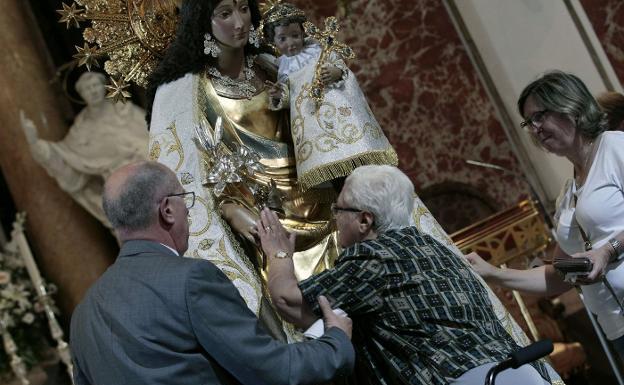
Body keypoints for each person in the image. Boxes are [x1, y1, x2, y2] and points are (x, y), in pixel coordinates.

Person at [257, 165, 562, 385]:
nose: (334, 218)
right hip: (522, 373)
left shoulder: (373, 257)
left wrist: (278, 253)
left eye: (339, 210)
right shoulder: (435, 246)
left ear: (365, 220)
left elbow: (288, 300)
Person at [69, 161, 355, 385]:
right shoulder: (190, 280)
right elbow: (275, 372)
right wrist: (335, 340)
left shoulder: (82, 316)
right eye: (185, 200)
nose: (188, 213)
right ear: (167, 210)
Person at [466, 70, 624, 359]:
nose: (535, 128)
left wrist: (608, 251)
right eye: (529, 122)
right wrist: (491, 274)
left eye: (540, 116)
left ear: (571, 107)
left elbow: (603, 251)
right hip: (616, 328)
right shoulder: (567, 193)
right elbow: (559, 275)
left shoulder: (615, 147)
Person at [260, 2, 397, 191]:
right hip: (313, 124)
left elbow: (342, 69)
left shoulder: (319, 49)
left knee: (361, 167)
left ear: (303, 32)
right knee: (337, 175)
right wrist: (278, 95)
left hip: (339, 115)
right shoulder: (283, 67)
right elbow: (289, 97)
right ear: (273, 42)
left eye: (295, 36)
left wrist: (335, 73)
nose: (290, 43)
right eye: (282, 39)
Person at [20, 71, 148, 228]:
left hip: (149, 176)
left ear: (103, 86)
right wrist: (35, 143)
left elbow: (153, 135)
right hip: (122, 192)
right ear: (81, 95)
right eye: (87, 88)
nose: (93, 91)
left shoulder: (124, 110)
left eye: (95, 85)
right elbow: (67, 157)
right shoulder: (81, 129)